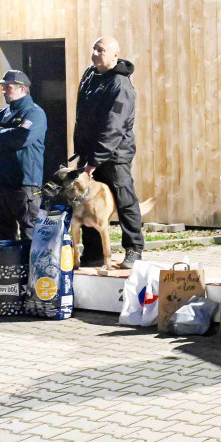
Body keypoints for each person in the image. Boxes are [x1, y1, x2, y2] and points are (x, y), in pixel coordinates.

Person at [73, 36, 144, 269]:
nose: (95, 53)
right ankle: (93, 253)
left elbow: (114, 126)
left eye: (101, 50)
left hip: (115, 155)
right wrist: (82, 152)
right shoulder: (90, 75)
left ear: (115, 55)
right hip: (89, 153)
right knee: (88, 200)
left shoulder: (120, 85)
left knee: (124, 200)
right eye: (94, 48)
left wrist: (95, 160)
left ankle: (134, 249)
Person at [0, 70, 47, 241]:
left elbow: (20, 139)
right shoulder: (1, 114)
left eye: (8, 87)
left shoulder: (34, 113)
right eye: (3, 87)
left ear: (22, 89)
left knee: (29, 233)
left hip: (24, 183)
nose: (3, 91)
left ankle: (28, 261)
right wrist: (6, 136)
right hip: (0, 181)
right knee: (3, 235)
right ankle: (8, 261)